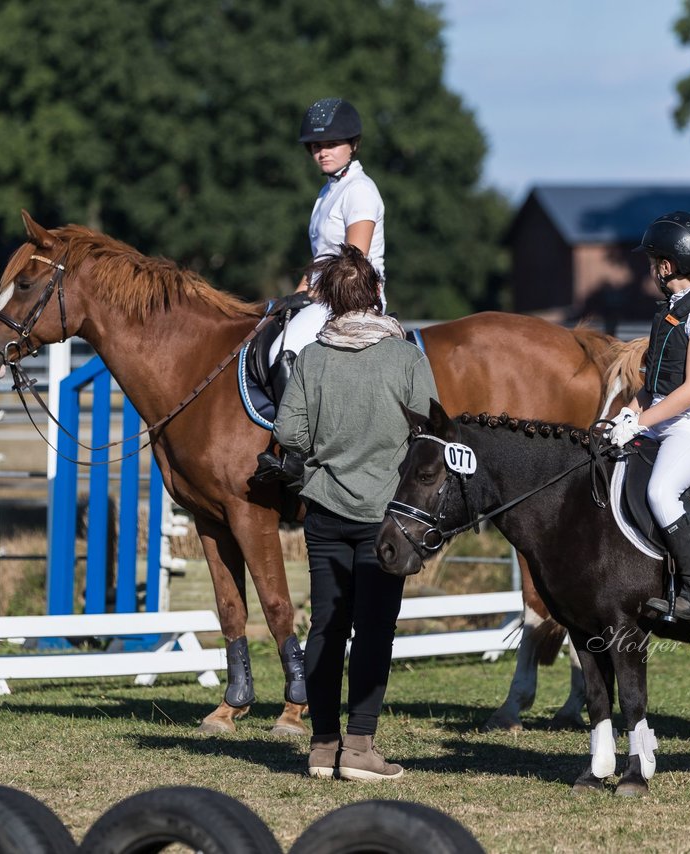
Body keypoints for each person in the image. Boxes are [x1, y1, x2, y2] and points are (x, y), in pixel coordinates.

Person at [273, 244, 437, 780]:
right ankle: (360, 748)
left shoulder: (314, 358)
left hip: (323, 508)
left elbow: (287, 433)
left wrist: (324, 449)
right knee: (373, 630)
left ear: (329, 303)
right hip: (385, 517)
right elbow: (431, 431)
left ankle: (323, 745)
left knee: (325, 626)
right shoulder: (407, 357)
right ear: (377, 294)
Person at [607, 212, 690, 627]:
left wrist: (642, 424)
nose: (650, 268)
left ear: (667, 266)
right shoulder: (670, 312)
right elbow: (654, 387)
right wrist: (625, 415)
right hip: (664, 415)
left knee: (663, 491)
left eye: (653, 261)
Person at [268, 96, 386, 398]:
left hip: (351, 297)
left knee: (281, 352)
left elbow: (353, 261)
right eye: (316, 146)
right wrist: (294, 297)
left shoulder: (359, 190)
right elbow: (319, 259)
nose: (322, 153)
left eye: (332, 144)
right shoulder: (327, 192)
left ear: (353, 145)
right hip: (323, 296)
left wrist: (312, 295)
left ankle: (298, 442)